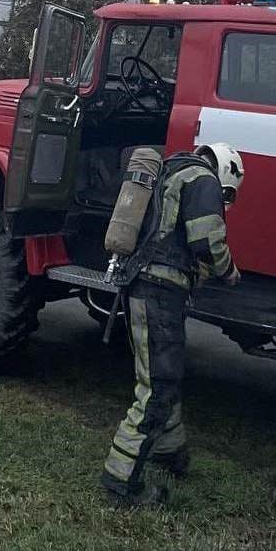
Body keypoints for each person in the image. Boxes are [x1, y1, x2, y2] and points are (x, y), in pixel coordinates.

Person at [101, 142, 244, 507]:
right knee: (158, 387)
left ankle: (169, 451)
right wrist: (230, 272)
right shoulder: (204, 179)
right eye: (228, 195)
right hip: (160, 292)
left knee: (164, 376)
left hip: (144, 288)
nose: (224, 200)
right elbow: (207, 241)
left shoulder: (171, 172)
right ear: (227, 172)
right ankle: (121, 480)